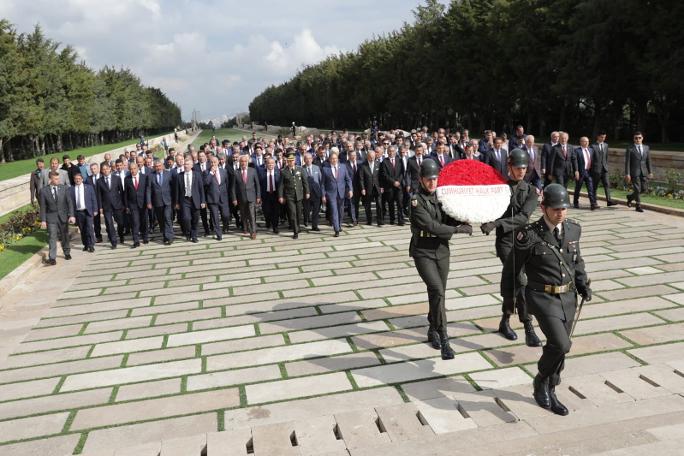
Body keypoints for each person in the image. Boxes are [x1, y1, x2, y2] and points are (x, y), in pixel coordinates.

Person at [501, 184, 591, 416]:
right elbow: (511, 270)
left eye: (564, 208)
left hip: (568, 297)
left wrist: (582, 283)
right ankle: (541, 380)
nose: (560, 213)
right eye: (555, 208)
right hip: (542, 297)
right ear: (543, 208)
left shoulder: (573, 230)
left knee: (559, 348)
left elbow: (576, 261)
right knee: (562, 344)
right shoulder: (528, 235)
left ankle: (551, 387)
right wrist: (509, 301)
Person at [410, 159, 473, 360]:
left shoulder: (442, 197)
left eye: (435, 179)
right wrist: (457, 230)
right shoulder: (416, 201)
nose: (432, 183)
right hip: (423, 251)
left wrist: (465, 217)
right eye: (428, 179)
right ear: (421, 180)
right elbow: (431, 226)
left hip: (441, 250)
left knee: (438, 293)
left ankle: (432, 328)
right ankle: (445, 338)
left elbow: (449, 216)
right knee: (437, 290)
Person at [480, 149, 541, 346]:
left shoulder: (531, 191)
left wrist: (497, 224)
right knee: (520, 280)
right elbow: (489, 209)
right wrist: (484, 219)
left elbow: (524, 217)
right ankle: (528, 326)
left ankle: (505, 320)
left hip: (523, 241)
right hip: (505, 243)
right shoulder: (499, 188)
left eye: (524, 168)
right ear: (510, 167)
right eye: (517, 168)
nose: (521, 171)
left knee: (514, 282)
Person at [39, 171, 74, 265]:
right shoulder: (43, 191)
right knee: (52, 237)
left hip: (63, 216)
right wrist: (43, 220)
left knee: (65, 236)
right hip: (51, 218)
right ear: (50, 179)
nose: (58, 180)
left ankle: (67, 252)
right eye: (56, 179)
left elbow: (69, 202)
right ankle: (52, 258)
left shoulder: (64, 188)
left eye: (58, 178)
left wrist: (71, 215)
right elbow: (42, 207)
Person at [278, 152, 310, 239]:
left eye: (292, 161)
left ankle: (298, 226)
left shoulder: (300, 169)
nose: (291, 162)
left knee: (299, 213)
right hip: (289, 196)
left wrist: (307, 192)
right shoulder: (284, 172)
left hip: (299, 195)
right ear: (287, 162)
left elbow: (305, 182)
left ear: (295, 161)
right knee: (292, 213)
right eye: (289, 161)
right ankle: (295, 231)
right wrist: (280, 196)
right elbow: (281, 185)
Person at [321, 151, 353, 237]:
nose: (334, 160)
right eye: (332, 159)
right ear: (329, 160)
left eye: (335, 158)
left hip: (341, 193)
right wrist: (323, 195)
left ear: (337, 159)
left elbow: (348, 179)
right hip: (331, 194)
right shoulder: (325, 169)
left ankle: (339, 224)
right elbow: (323, 183)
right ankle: (336, 229)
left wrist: (350, 190)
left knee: (341, 211)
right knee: (334, 211)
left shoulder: (343, 167)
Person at [231, 154, 261, 240]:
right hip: (241, 197)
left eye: (245, 161)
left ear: (247, 162)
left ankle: (253, 232)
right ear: (239, 163)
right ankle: (245, 227)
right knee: (243, 214)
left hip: (251, 196)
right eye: (242, 161)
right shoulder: (236, 172)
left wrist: (258, 196)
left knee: (251, 215)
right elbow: (233, 187)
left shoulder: (253, 171)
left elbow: (257, 184)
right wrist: (234, 198)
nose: (243, 163)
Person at [176, 158, 206, 243]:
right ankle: (188, 232)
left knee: (195, 219)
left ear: (192, 165)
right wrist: (177, 202)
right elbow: (177, 190)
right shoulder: (179, 176)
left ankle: (194, 235)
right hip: (185, 200)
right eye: (185, 164)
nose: (186, 166)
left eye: (188, 164)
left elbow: (201, 189)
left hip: (195, 200)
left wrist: (203, 201)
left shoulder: (197, 175)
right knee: (186, 218)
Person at [97, 163, 125, 249]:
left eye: (107, 169)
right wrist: (100, 207)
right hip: (106, 206)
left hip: (117, 204)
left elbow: (121, 192)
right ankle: (114, 242)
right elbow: (98, 195)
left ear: (110, 169)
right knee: (109, 224)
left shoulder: (117, 178)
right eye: (103, 169)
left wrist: (123, 204)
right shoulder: (99, 181)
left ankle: (121, 235)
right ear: (101, 171)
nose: (105, 171)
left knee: (120, 222)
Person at [68, 173, 97, 253]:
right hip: (78, 212)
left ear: (82, 179)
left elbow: (93, 199)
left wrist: (95, 210)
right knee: (82, 229)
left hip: (88, 211)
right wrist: (71, 215)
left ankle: (91, 245)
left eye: (79, 178)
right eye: (76, 179)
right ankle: (86, 244)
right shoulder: (71, 189)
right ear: (74, 180)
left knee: (89, 228)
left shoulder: (89, 187)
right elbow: (70, 203)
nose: (77, 180)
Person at [124, 163, 152, 248]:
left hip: (143, 203)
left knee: (144, 221)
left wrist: (148, 202)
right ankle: (136, 240)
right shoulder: (127, 179)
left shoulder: (144, 177)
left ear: (137, 168)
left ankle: (145, 237)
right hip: (133, 204)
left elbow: (148, 190)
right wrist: (126, 206)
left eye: (134, 168)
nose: (133, 171)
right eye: (131, 169)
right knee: (135, 222)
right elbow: (126, 193)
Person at [204, 156, 232, 240]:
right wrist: (211, 173)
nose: (213, 164)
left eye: (214, 162)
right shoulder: (206, 172)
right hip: (212, 198)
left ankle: (225, 226)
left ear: (218, 162)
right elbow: (205, 183)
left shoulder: (224, 171)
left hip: (223, 197)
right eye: (211, 162)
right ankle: (218, 234)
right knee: (215, 218)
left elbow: (227, 184)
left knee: (226, 215)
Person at [625, 131, 652, 213]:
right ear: (634, 139)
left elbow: (648, 161)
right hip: (634, 172)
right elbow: (627, 162)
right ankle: (638, 205)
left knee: (643, 189)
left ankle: (630, 197)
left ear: (642, 138)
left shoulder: (646, 148)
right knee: (637, 189)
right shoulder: (630, 149)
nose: (638, 139)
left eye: (639, 138)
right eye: (636, 138)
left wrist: (650, 172)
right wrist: (627, 173)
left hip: (643, 172)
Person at [150, 159, 174, 245]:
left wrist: (174, 200)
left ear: (162, 166)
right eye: (156, 166)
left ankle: (169, 237)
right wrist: (149, 202)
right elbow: (149, 189)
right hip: (157, 201)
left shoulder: (168, 174)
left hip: (168, 200)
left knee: (167, 218)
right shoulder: (151, 176)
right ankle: (165, 235)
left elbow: (173, 187)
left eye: (159, 166)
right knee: (161, 220)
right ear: (154, 167)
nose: (158, 168)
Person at [380, 145, 405, 225]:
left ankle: (401, 220)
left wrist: (398, 181)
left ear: (395, 152)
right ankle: (392, 219)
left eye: (393, 151)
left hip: (399, 186)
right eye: (389, 151)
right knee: (390, 204)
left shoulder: (400, 160)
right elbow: (384, 175)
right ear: (387, 152)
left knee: (400, 203)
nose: (391, 153)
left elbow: (402, 172)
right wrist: (393, 182)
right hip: (389, 186)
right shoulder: (384, 162)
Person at [590, 132, 618, 207]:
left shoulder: (606, 145)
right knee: (594, 186)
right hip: (596, 169)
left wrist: (606, 166)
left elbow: (606, 157)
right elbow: (591, 159)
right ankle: (594, 202)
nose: (603, 139)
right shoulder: (593, 146)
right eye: (602, 137)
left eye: (604, 137)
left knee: (607, 184)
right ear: (598, 137)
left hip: (604, 169)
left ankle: (609, 201)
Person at [359, 149, 384, 225]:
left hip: (377, 188)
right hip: (368, 188)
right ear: (367, 157)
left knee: (379, 205)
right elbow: (361, 178)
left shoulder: (378, 163)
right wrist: (362, 188)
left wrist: (381, 186)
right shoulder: (363, 165)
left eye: (373, 157)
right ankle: (369, 220)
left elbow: (381, 177)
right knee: (368, 205)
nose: (372, 158)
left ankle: (380, 221)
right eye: (370, 157)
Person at [572, 137, 597, 210]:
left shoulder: (591, 150)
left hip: (589, 172)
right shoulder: (577, 151)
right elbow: (575, 162)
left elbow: (593, 161)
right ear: (581, 142)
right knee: (578, 188)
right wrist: (576, 171)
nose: (586, 143)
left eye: (588, 141)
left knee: (590, 189)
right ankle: (575, 202)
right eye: (584, 141)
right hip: (580, 172)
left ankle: (592, 203)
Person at [260, 157, 281, 233]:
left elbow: (281, 185)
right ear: (266, 164)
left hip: (276, 195)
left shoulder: (279, 172)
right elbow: (259, 185)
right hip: (266, 195)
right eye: (269, 163)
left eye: (272, 163)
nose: (270, 165)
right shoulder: (262, 172)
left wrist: (281, 195)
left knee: (276, 212)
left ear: (275, 164)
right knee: (267, 211)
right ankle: (268, 221)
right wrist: (259, 196)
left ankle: (275, 226)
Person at [302, 153, 322, 231]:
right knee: (306, 210)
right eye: (306, 158)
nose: (308, 160)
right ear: (304, 160)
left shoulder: (316, 168)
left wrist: (321, 192)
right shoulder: (301, 169)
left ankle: (314, 225)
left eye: (310, 158)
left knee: (316, 210)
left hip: (316, 192)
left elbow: (320, 180)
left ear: (312, 159)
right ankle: (306, 219)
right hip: (306, 193)